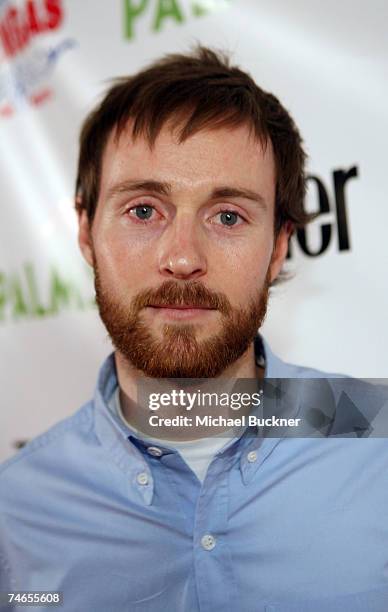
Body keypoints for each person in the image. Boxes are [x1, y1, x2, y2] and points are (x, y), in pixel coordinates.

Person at [1, 46, 387, 612]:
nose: (182, 257)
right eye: (143, 210)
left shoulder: (377, 450)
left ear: (278, 247)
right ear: (85, 232)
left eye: (227, 216)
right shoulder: (14, 512)